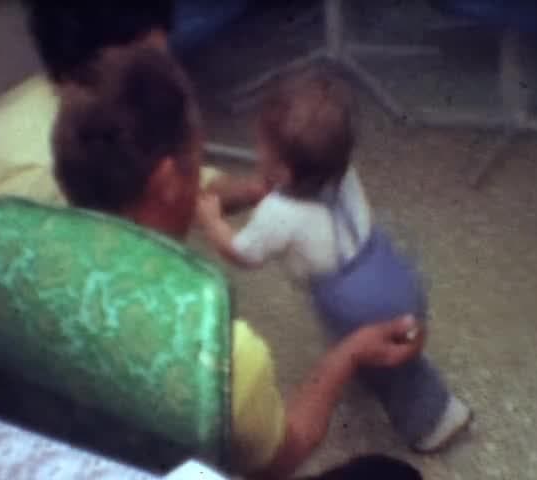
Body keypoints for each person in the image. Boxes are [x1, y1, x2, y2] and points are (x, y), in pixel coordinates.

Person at [48, 32, 427, 479]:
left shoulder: (24, 253)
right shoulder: (223, 355)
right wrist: (345, 356)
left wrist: (246, 195)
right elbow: (278, 460)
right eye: (197, 156)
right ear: (167, 183)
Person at [196, 68, 472, 452]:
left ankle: (436, 422)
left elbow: (243, 253)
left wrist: (212, 222)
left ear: (284, 170)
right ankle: (393, 375)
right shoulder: (340, 171)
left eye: (262, 147)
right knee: (400, 344)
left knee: (391, 368)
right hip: (388, 267)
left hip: (354, 302)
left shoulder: (279, 214)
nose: (257, 151)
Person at [0, 0, 264, 249]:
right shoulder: (25, 186)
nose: (169, 70)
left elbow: (167, 176)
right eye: (155, 59)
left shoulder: (107, 110)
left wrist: (248, 190)